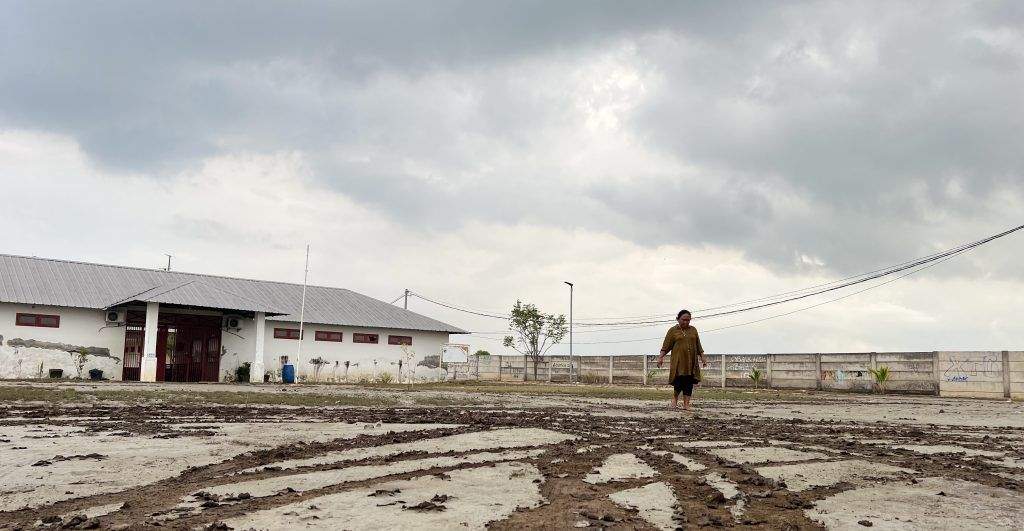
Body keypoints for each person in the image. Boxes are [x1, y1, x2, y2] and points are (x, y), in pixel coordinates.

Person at [657, 309, 707, 410]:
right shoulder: (672, 331)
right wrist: (660, 357)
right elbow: (666, 346)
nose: (686, 322)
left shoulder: (693, 330)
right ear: (678, 319)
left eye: (688, 320)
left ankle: (686, 404)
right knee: (679, 381)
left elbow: (698, 345)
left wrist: (703, 357)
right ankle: (675, 399)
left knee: (689, 382)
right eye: (683, 320)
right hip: (679, 361)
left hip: (691, 361)